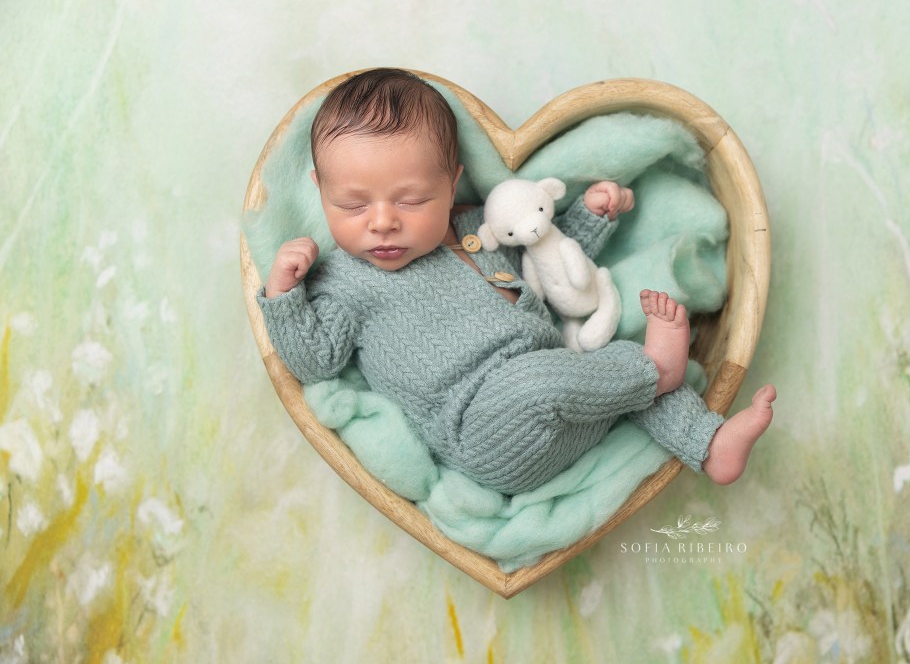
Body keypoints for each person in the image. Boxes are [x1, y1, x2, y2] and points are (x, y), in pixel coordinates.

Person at [257, 68, 776, 496]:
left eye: (412, 200)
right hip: (484, 431)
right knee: (560, 379)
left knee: (601, 382)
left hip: (567, 400)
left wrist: (593, 218)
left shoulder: (474, 227)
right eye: (352, 204)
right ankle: (654, 369)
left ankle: (711, 445)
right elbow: (314, 360)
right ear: (319, 190)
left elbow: (549, 264)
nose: (383, 221)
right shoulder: (343, 279)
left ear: (451, 182)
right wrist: (284, 291)